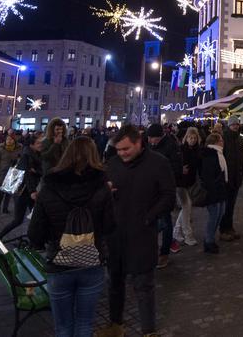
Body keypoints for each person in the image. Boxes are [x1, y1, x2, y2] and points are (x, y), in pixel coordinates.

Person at [28, 136, 115, 337]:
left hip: (58, 263)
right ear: (94, 156)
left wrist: (50, 239)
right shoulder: (102, 187)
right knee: (85, 323)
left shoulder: (49, 186)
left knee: (63, 327)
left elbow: (35, 233)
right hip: (91, 262)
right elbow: (110, 226)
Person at [100, 126, 175, 337]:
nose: (122, 153)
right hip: (115, 234)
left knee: (144, 286)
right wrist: (106, 193)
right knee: (114, 283)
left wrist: (149, 216)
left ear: (138, 143)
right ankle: (116, 326)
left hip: (142, 234)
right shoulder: (112, 164)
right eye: (118, 149)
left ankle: (148, 331)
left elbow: (168, 196)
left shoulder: (158, 163)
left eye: (126, 148)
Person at [146, 123, 182, 267]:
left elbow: (176, 168)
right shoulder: (150, 146)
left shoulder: (170, 146)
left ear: (158, 137)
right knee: (155, 221)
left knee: (166, 222)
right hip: (151, 191)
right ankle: (152, 251)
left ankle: (164, 253)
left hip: (164, 191)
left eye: (152, 138)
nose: (150, 141)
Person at [0, 133, 46, 238]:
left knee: (37, 217)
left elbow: (40, 171)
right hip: (23, 192)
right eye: (38, 143)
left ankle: (34, 240)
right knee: (18, 220)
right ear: (31, 144)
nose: (41, 145)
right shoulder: (26, 155)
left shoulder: (37, 154)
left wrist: (36, 171)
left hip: (29, 191)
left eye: (41, 143)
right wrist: (33, 191)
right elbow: (27, 175)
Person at [198, 132, 229, 254]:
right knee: (214, 216)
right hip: (213, 192)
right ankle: (208, 241)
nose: (222, 142)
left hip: (220, 190)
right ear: (215, 142)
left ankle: (210, 239)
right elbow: (209, 176)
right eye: (220, 140)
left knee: (220, 214)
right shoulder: (211, 155)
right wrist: (215, 187)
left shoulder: (219, 154)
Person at [219, 117, 243, 242]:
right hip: (226, 177)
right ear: (229, 125)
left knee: (231, 204)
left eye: (237, 124)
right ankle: (223, 230)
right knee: (226, 205)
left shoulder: (239, 139)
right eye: (233, 124)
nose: (235, 126)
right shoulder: (224, 138)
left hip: (236, 177)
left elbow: (242, 157)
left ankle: (230, 228)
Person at [173, 126, 202, 246]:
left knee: (186, 208)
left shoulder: (197, 150)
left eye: (194, 138)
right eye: (190, 137)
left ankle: (176, 231)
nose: (192, 140)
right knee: (187, 206)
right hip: (180, 182)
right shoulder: (180, 149)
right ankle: (187, 234)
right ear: (186, 137)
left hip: (190, 182)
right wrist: (180, 169)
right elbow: (173, 163)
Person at [0, 133, 22, 213]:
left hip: (13, 172)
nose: (9, 141)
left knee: (9, 192)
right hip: (3, 172)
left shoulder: (18, 149)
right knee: (2, 191)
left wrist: (17, 161)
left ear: (14, 140)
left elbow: (21, 159)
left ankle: (5, 208)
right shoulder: (1, 149)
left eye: (11, 139)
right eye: (7, 139)